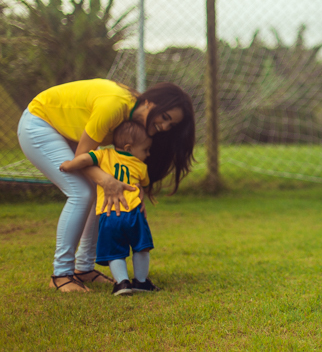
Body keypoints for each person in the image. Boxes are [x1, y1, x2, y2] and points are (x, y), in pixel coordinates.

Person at [17, 79, 195, 292]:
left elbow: (116, 161)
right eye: (165, 117)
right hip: (39, 123)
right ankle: (61, 275)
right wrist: (107, 180)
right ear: (149, 102)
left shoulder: (134, 122)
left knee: (98, 194)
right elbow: (82, 157)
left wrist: (135, 192)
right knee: (82, 193)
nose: (165, 127)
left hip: (66, 132)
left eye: (171, 124)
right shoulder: (114, 106)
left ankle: (83, 269)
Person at [59, 121, 159, 296]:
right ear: (128, 148)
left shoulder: (104, 155)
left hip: (109, 213)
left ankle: (122, 283)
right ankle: (141, 282)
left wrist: (68, 165)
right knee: (141, 247)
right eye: (146, 149)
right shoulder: (140, 166)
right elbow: (142, 184)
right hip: (134, 213)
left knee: (115, 250)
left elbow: (83, 159)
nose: (149, 154)